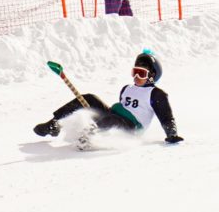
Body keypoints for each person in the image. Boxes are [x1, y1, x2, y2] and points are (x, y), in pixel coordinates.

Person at [32, 50, 183, 144]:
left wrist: (172, 133)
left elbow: (166, 117)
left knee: (111, 120)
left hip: (130, 128)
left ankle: (90, 138)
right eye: (134, 72)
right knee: (89, 98)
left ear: (152, 76)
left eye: (142, 73)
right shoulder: (127, 89)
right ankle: (54, 124)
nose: (136, 76)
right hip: (113, 116)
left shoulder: (156, 94)